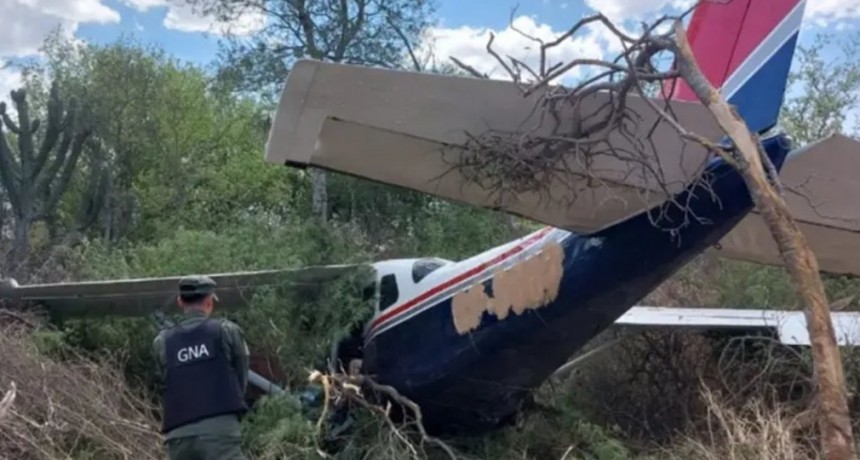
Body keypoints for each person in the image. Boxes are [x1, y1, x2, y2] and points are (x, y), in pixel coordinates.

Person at [152, 275, 250, 460]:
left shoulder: (162, 342)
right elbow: (241, 377)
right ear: (209, 301)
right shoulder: (227, 331)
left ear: (180, 302)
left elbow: (165, 380)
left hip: (178, 436)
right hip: (220, 432)